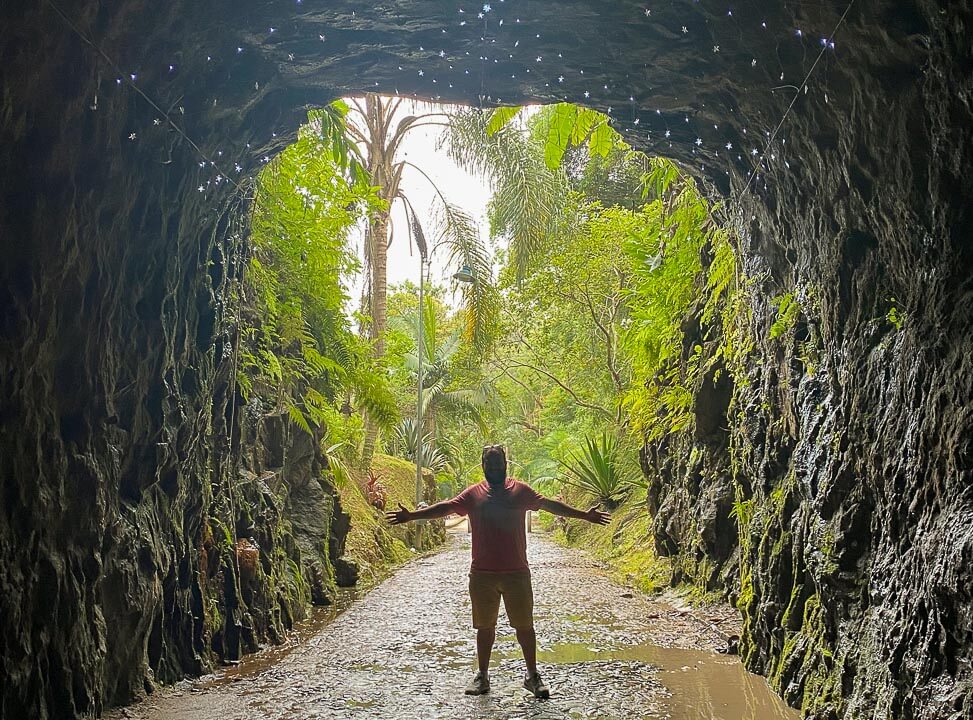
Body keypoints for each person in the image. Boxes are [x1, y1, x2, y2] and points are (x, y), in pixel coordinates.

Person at [386, 444, 610, 698]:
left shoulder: (520, 491)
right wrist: (412, 516)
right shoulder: (473, 495)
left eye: (498, 463)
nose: (494, 468)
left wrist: (585, 516)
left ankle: (532, 675)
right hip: (482, 574)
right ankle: (482, 675)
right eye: (490, 464)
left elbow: (549, 505)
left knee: (525, 626)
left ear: (505, 464)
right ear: (483, 466)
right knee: (485, 627)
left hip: (517, 573)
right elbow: (445, 507)